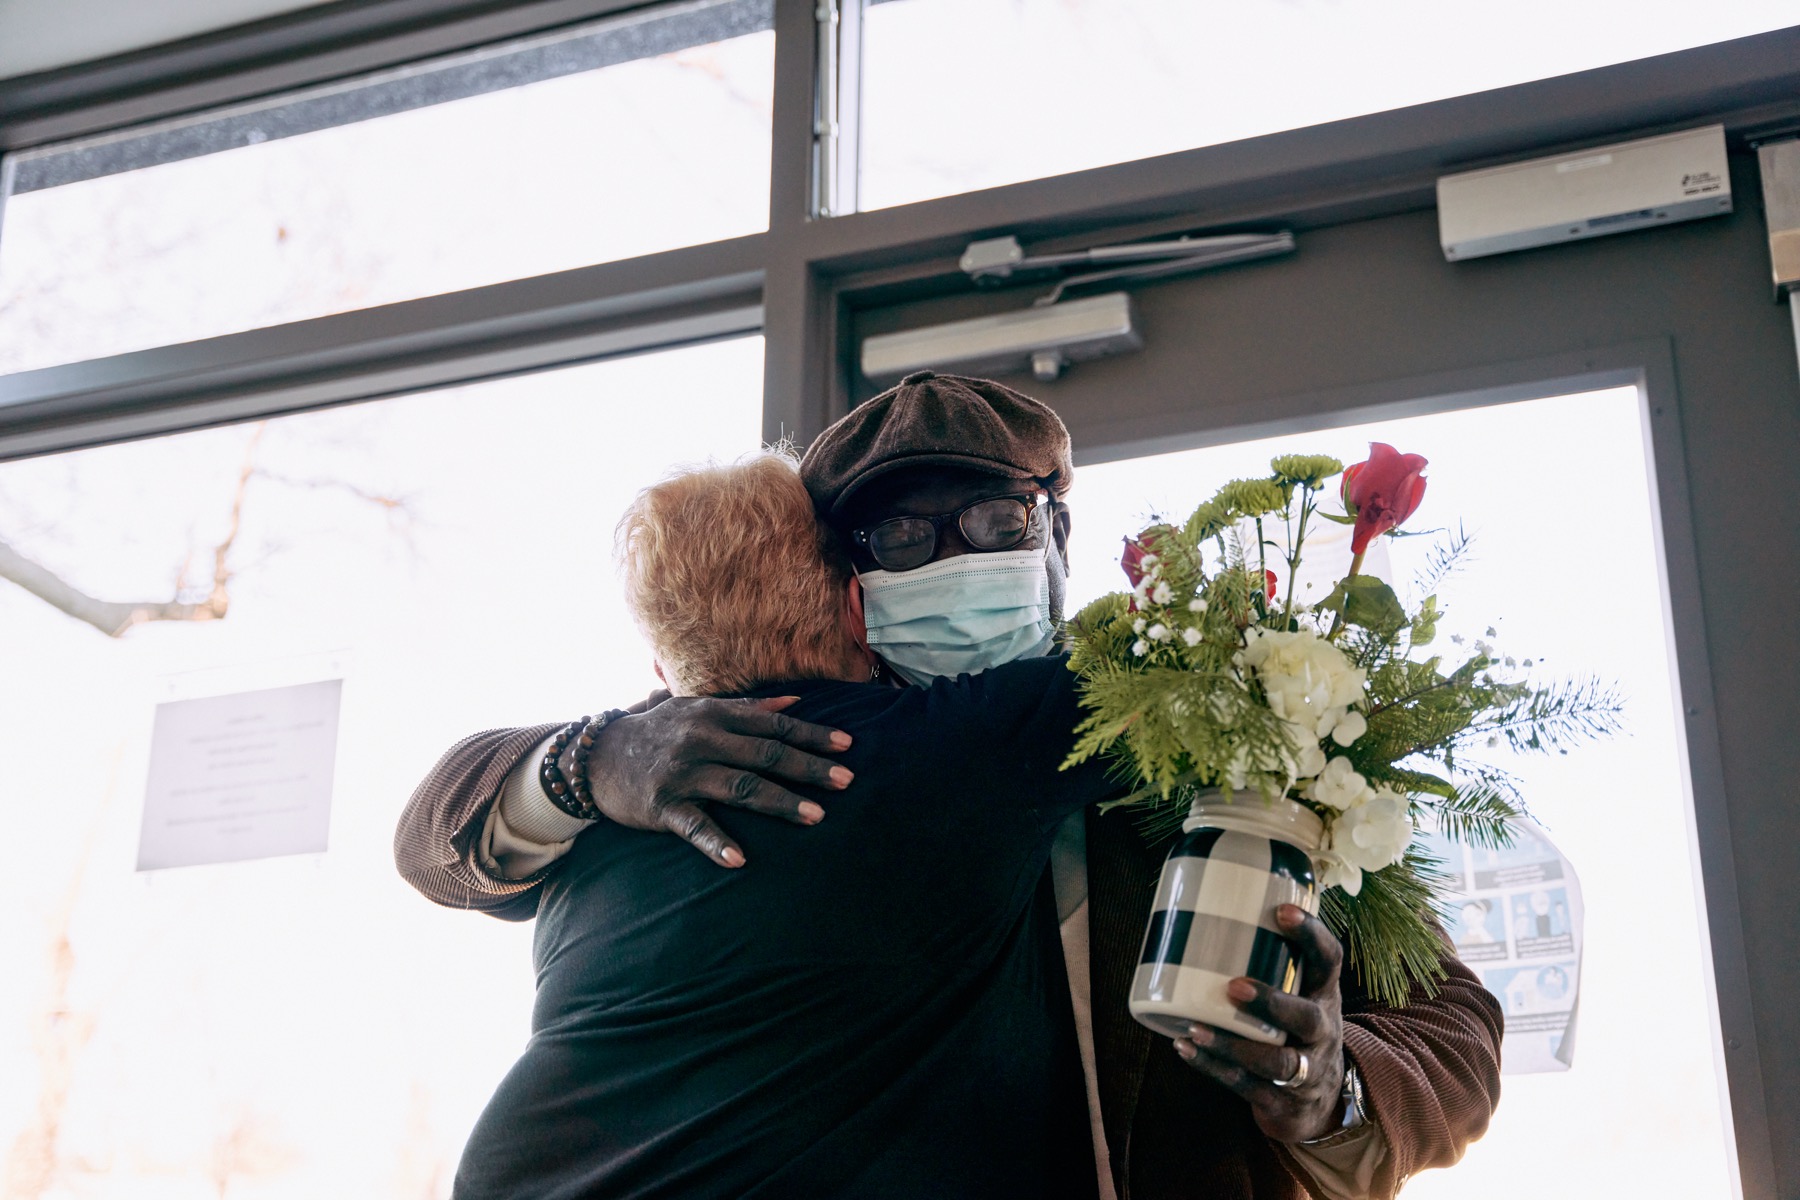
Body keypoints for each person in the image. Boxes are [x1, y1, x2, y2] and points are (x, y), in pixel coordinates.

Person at [396, 372, 1504, 1200]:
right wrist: (587, 761)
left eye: (992, 524)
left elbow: (1454, 1025)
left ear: (1057, 533)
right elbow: (437, 835)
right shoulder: (742, 758)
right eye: (898, 537)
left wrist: (1330, 1092)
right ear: (846, 584)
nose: (951, 561)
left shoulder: (1232, 744)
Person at [454, 451, 1119, 1197]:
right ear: (856, 609)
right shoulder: (964, 743)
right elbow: (1207, 669)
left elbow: (445, 850)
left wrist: (592, 756)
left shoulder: (600, 817)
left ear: (664, 675)